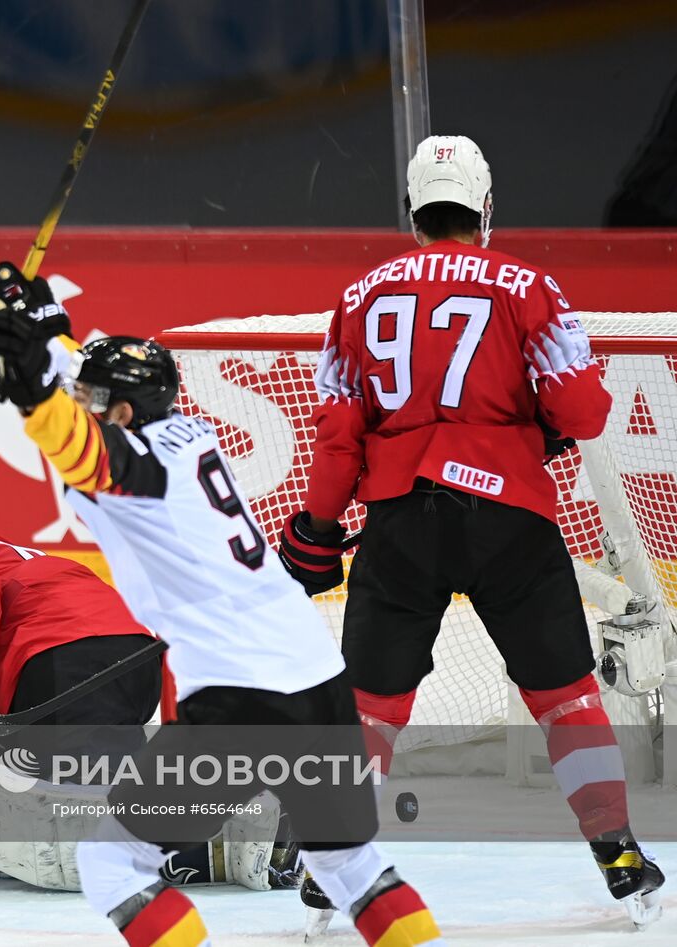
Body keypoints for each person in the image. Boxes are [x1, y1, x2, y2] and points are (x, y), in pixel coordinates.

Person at [0, 267, 447, 947]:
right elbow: (99, 393)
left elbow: (82, 447)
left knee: (110, 861)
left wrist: (29, 390)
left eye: (91, 399)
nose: (82, 404)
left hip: (240, 703)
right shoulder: (189, 435)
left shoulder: (132, 467)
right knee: (349, 863)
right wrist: (44, 326)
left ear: (124, 413)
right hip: (319, 684)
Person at [277, 134, 665, 928]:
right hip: (510, 522)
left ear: (411, 211)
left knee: (371, 707)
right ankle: (619, 852)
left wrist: (317, 531)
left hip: (400, 521)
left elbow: (337, 439)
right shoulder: (529, 285)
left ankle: (330, 865)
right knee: (565, 699)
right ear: (485, 209)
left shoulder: (358, 298)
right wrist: (534, 428)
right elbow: (586, 411)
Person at [0, 471, 301, 894]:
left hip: (62, 669)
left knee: (41, 844)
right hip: (128, 659)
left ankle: (237, 833)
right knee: (87, 791)